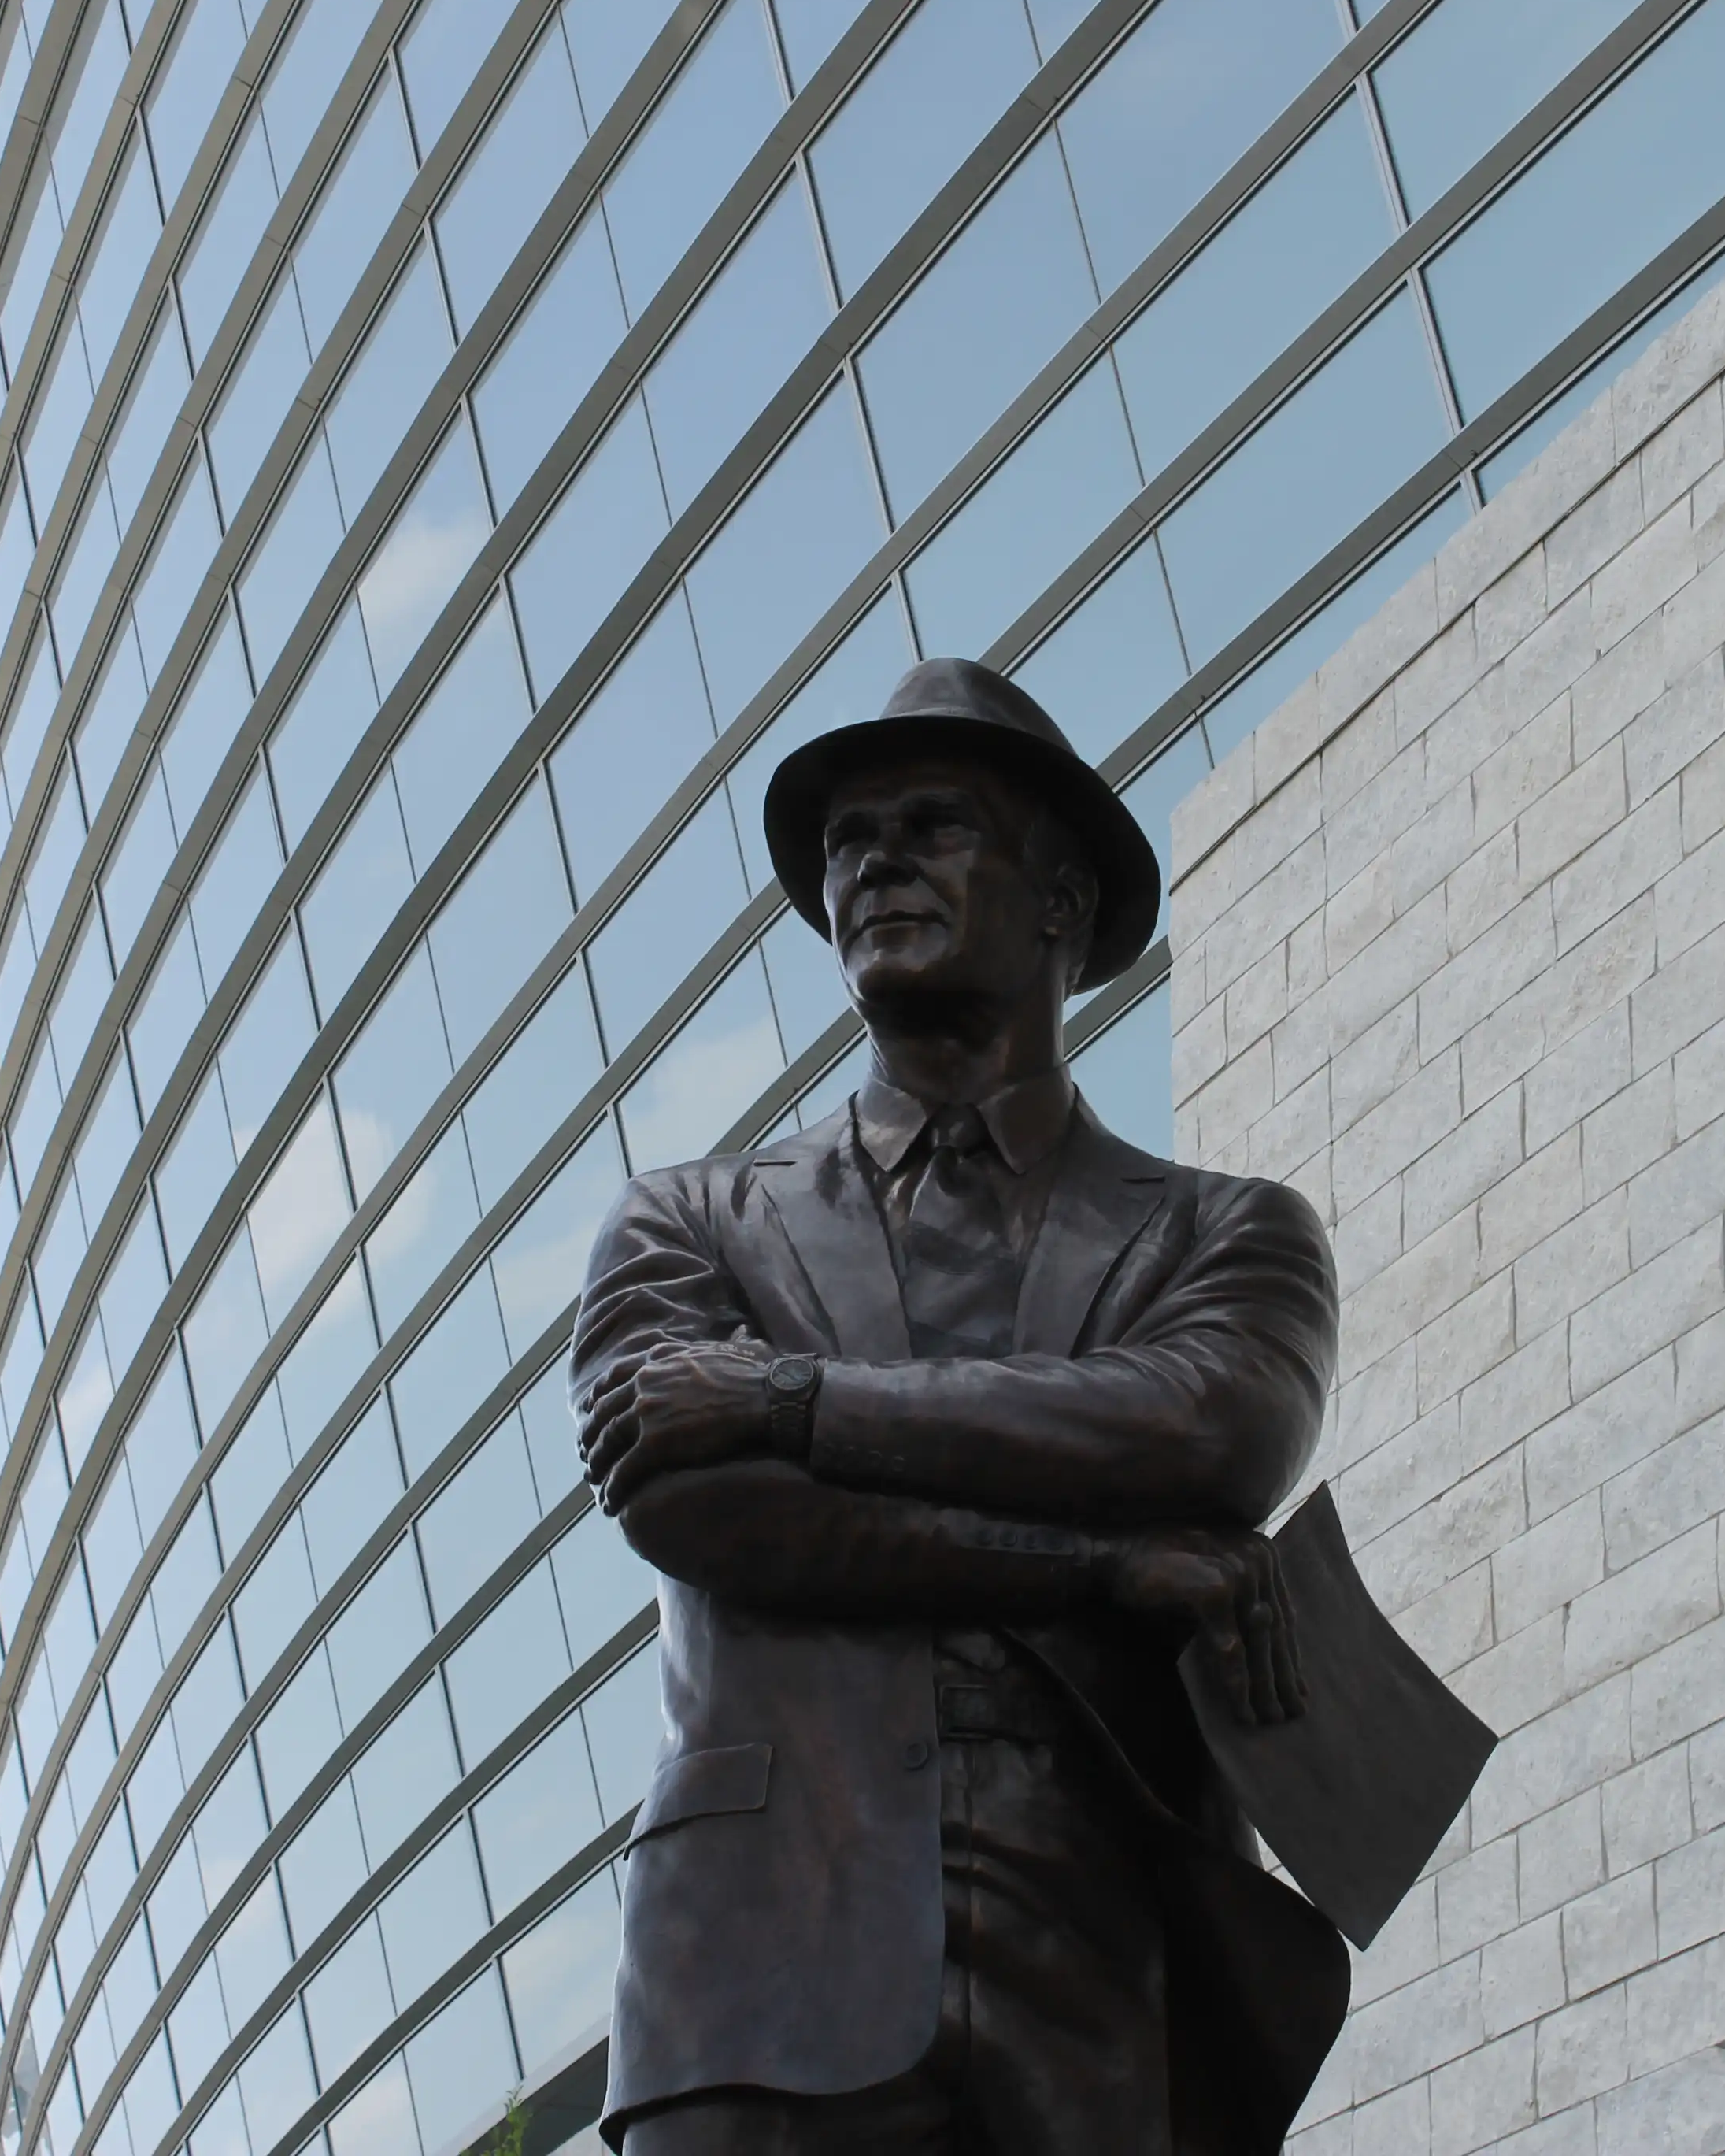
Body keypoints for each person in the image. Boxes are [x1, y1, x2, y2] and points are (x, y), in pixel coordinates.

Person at [572, 659, 1350, 2154]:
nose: (873, 863)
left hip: (1111, 1971)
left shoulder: (1226, 1233)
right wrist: (1097, 1564)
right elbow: (694, 1504)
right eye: (849, 841)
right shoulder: (690, 1222)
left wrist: (794, 1398)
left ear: (1062, 901)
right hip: (761, 1971)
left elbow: (1203, 1429)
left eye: (934, 826)